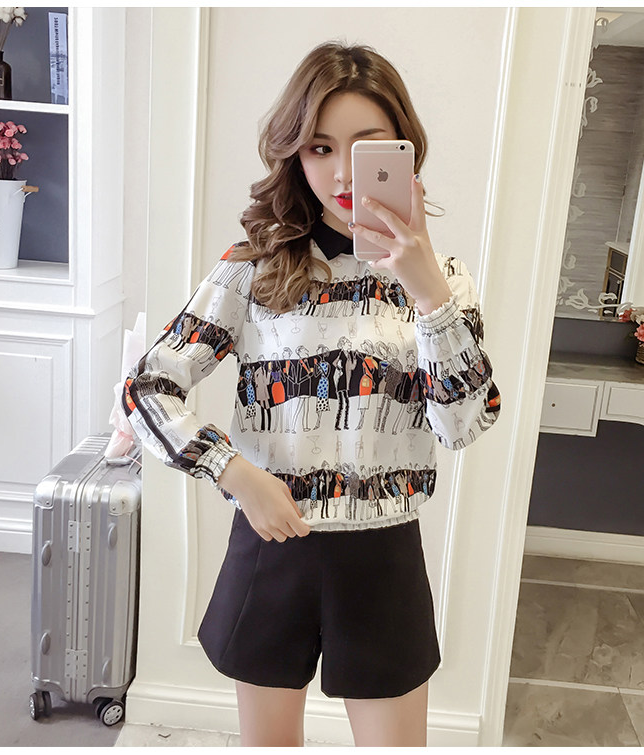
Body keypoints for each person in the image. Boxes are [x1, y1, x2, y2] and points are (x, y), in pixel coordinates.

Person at [123, 41, 501, 747]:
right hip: (274, 543)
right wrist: (235, 473)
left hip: (384, 556)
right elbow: (149, 387)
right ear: (295, 156)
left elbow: (463, 425)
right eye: (320, 148)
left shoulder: (445, 281)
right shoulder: (254, 268)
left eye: (365, 146)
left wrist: (428, 294)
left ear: (403, 149)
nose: (342, 172)